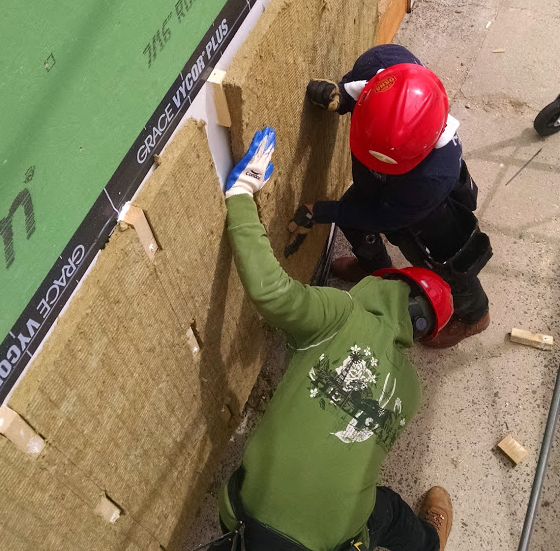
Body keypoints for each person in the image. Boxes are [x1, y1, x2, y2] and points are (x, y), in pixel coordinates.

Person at [210, 127, 454, 551]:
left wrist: (241, 196)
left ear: (387, 282)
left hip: (243, 519)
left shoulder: (340, 313)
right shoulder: (411, 390)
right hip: (325, 544)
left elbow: (270, 291)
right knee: (388, 512)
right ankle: (429, 542)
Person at [304, 44, 492, 349]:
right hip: (380, 188)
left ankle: (474, 315)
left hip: (430, 219)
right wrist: (337, 97)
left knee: (446, 267)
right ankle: (374, 268)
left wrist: (325, 211)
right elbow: (365, 94)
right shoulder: (387, 69)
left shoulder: (434, 175)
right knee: (353, 218)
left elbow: (382, 217)